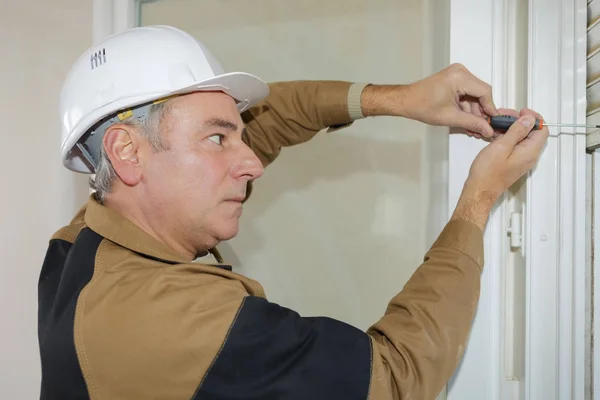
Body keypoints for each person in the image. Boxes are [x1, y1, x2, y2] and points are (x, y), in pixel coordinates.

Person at [38, 25, 548, 400]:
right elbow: (394, 378)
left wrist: (402, 100)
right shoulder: (180, 323)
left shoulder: (82, 243)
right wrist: (478, 200)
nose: (251, 163)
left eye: (236, 133)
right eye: (218, 138)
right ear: (127, 152)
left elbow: (266, 119)